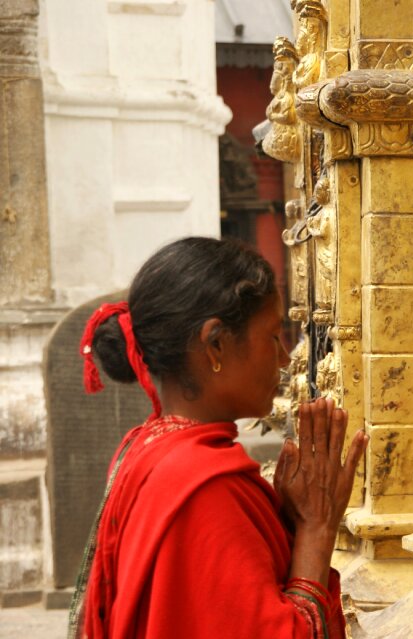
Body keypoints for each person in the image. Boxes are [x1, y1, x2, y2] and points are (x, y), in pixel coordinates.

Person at [69, 237, 367, 639]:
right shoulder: (206, 490)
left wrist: (289, 521)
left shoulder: (146, 447)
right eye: (273, 336)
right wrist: (317, 529)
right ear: (215, 345)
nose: (283, 359)